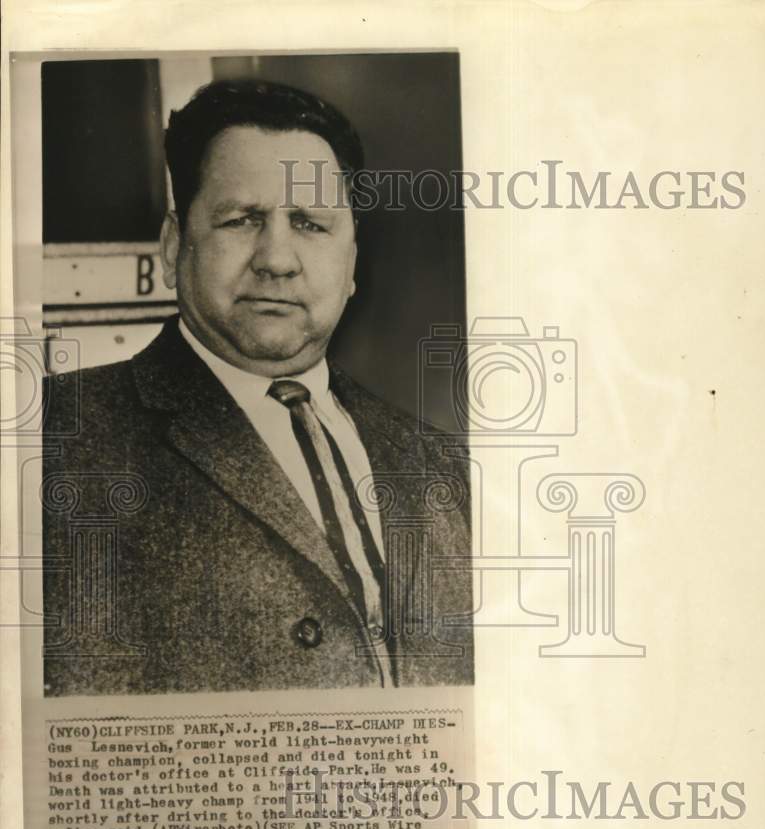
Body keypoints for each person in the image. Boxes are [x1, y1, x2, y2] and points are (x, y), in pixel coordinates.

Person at [42, 78, 474, 695]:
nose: (277, 258)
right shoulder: (55, 438)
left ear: (351, 264)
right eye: (243, 220)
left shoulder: (442, 463)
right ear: (173, 247)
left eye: (310, 224)